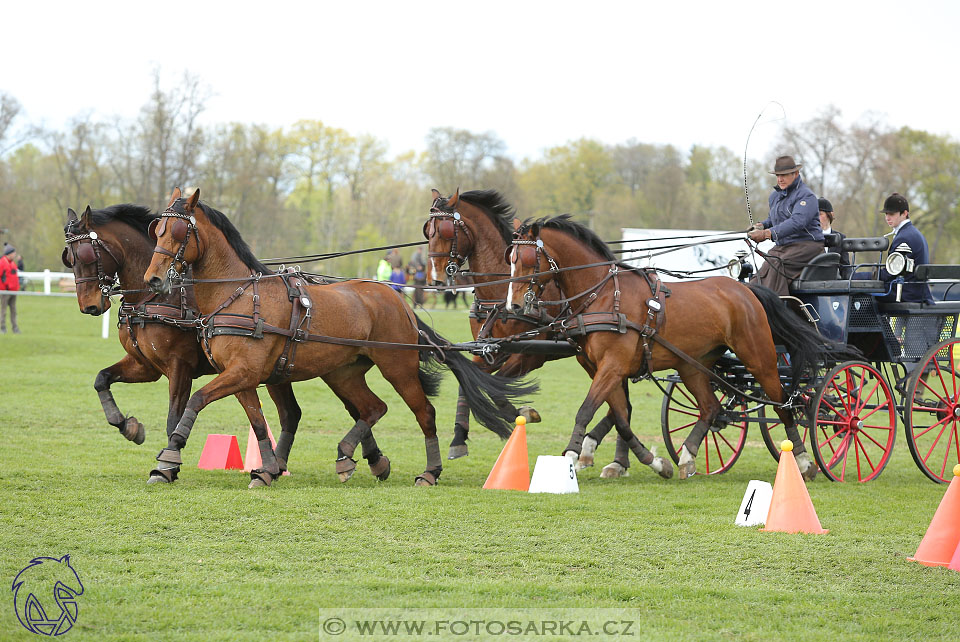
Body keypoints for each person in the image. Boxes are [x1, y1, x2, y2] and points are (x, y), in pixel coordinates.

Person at [748, 155, 824, 295]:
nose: (780, 179)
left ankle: (777, 306)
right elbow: (774, 219)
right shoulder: (775, 197)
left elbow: (797, 222)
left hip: (807, 246)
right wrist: (762, 226)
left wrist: (766, 234)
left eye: (784, 175)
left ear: (796, 174)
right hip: (783, 247)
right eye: (777, 175)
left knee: (777, 263)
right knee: (763, 272)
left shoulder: (806, 196)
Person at [876, 192, 933, 304]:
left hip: (907, 293)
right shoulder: (914, 233)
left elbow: (890, 273)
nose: (887, 218)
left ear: (905, 213)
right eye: (886, 214)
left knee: (863, 292)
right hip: (916, 292)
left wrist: (858, 275)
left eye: (891, 214)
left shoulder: (904, 238)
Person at [818, 197, 852, 277]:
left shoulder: (841, 238)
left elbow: (845, 266)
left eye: (819, 214)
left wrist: (849, 283)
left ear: (830, 215)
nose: (816, 217)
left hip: (834, 282)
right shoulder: (809, 237)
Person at [0, 245, 20, 334]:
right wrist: (5, 286)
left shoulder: (12, 263)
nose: (15, 254)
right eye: (13, 253)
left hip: (13, 291)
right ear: (9, 254)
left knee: (13, 311)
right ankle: (2, 328)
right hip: (5, 291)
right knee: (3, 311)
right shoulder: (2, 263)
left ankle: (15, 328)